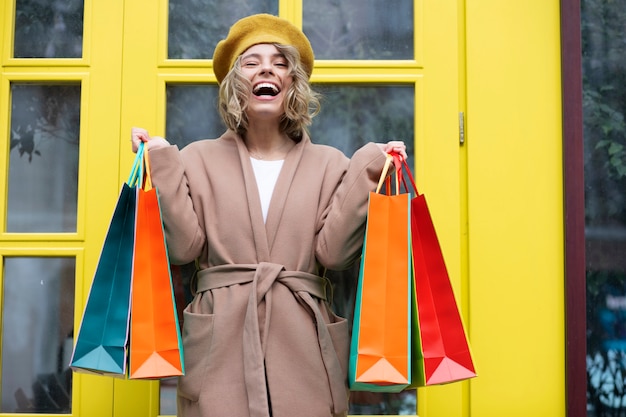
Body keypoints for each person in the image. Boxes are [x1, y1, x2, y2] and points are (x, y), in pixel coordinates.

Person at [131, 13, 407, 417]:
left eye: (281, 63)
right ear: (233, 84)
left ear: (293, 83)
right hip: (219, 344)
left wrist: (370, 164)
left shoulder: (330, 164)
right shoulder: (196, 158)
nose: (267, 69)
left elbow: (333, 255)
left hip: (304, 346)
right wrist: (160, 159)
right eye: (251, 61)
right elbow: (184, 247)